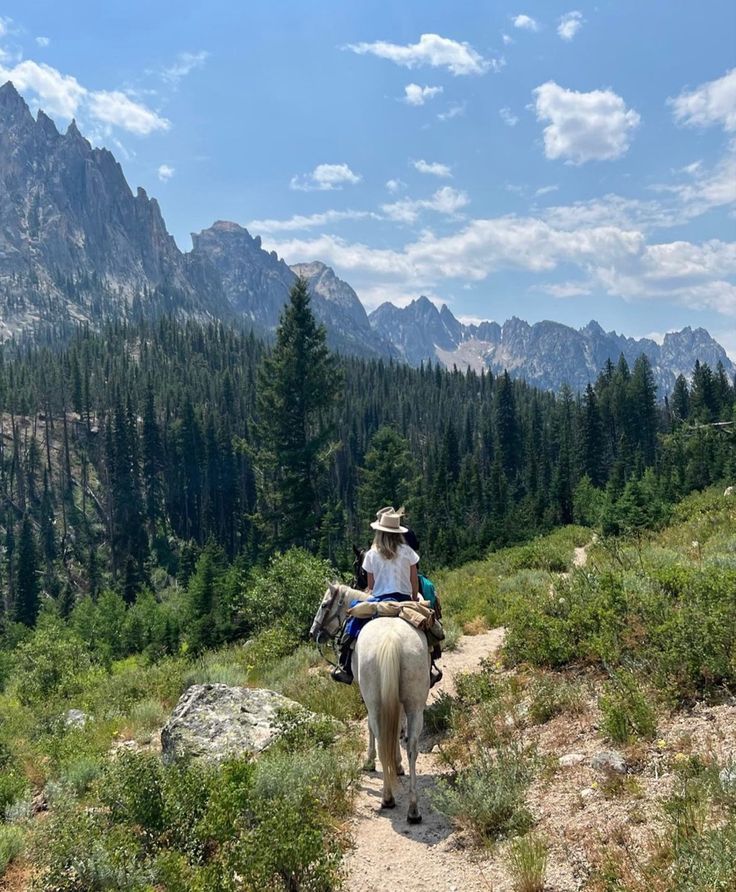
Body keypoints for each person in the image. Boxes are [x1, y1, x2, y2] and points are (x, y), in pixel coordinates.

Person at [331, 509, 419, 684]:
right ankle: (431, 665)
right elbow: (414, 579)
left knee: (351, 624)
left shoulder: (371, 554)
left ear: (379, 532)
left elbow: (370, 587)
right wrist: (415, 598)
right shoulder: (408, 552)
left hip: (379, 601)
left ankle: (346, 666)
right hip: (404, 600)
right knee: (429, 626)